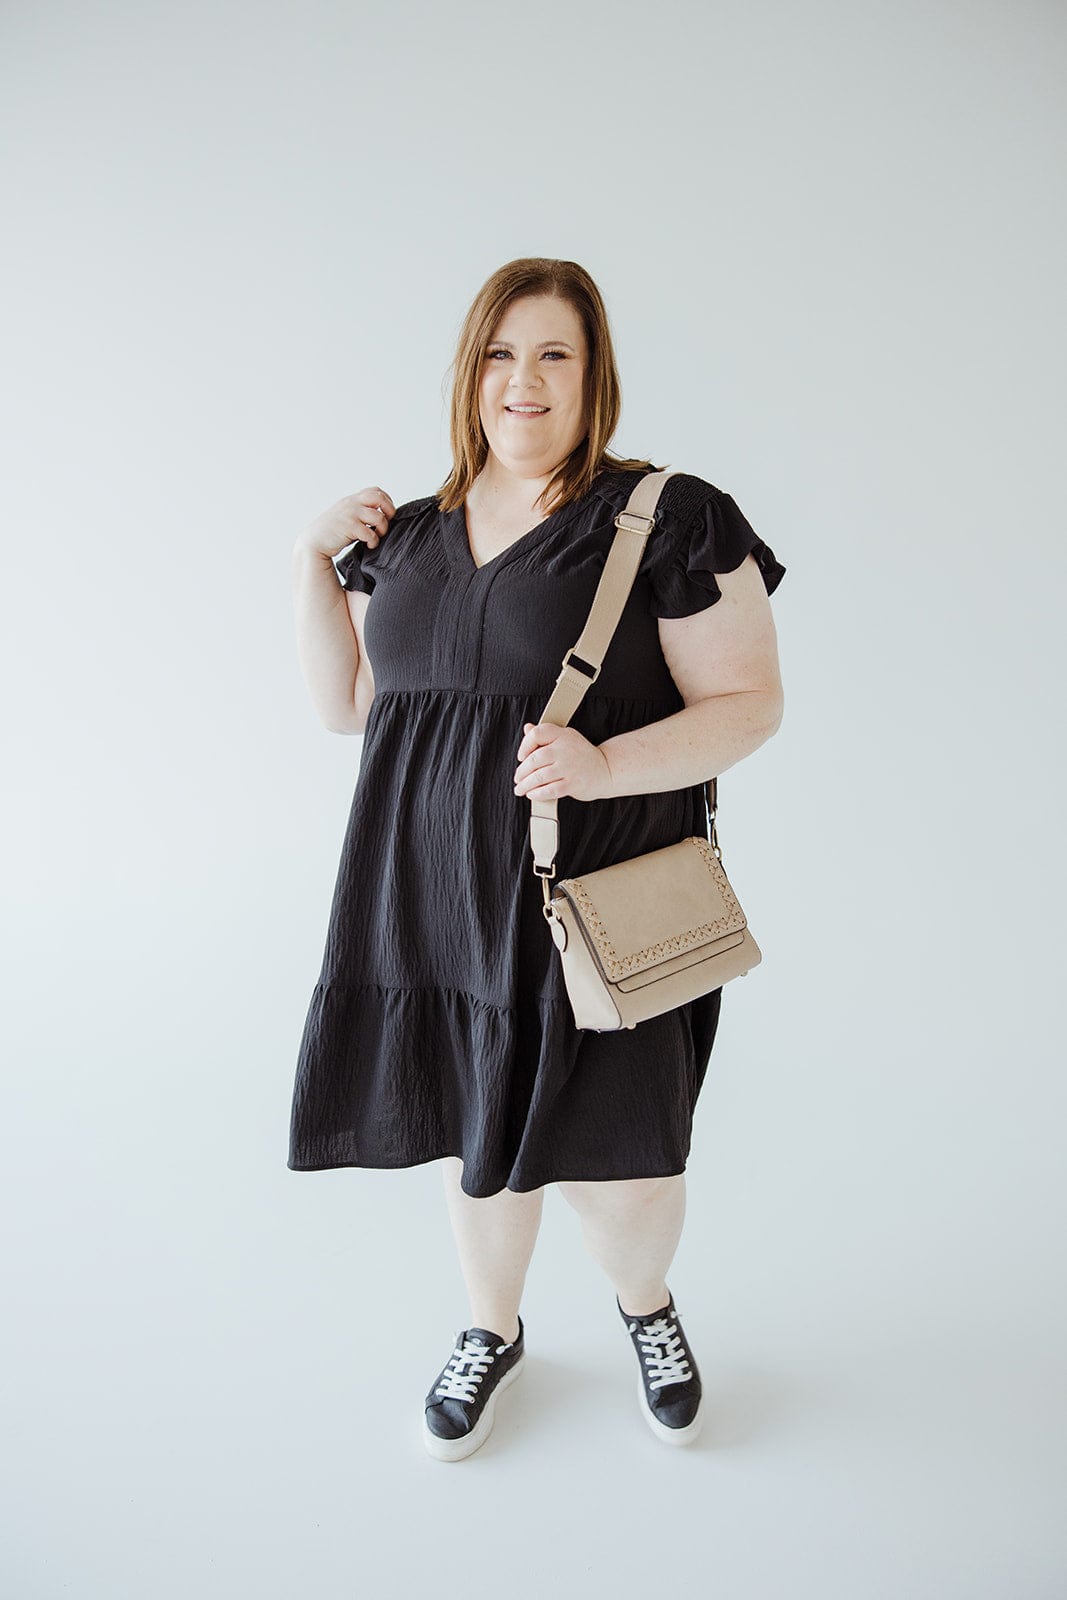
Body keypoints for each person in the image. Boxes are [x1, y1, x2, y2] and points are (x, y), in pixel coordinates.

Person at [287, 257, 786, 1462]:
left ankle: (644, 1306)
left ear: (591, 373)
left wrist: (602, 766)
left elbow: (748, 702)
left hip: (588, 904)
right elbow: (350, 706)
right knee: (476, 1142)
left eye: (554, 353)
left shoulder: (666, 516)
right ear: (472, 372)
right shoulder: (401, 536)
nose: (525, 379)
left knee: (623, 1162)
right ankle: (490, 1328)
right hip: (434, 897)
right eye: (503, 353)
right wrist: (309, 564)